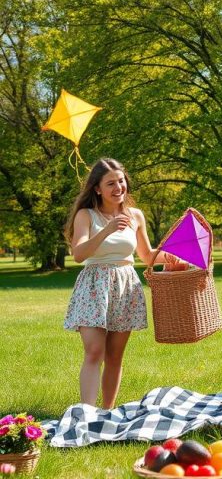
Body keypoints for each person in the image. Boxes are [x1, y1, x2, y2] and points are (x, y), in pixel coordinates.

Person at [64, 157, 181, 408]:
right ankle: (87, 412)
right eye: (110, 184)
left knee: (115, 356)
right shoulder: (86, 215)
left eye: (121, 181)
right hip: (95, 286)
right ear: (97, 188)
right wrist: (107, 229)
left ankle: (107, 411)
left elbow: (147, 255)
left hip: (126, 285)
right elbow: (79, 254)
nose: (118, 188)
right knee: (94, 351)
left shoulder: (135, 215)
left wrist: (173, 255)